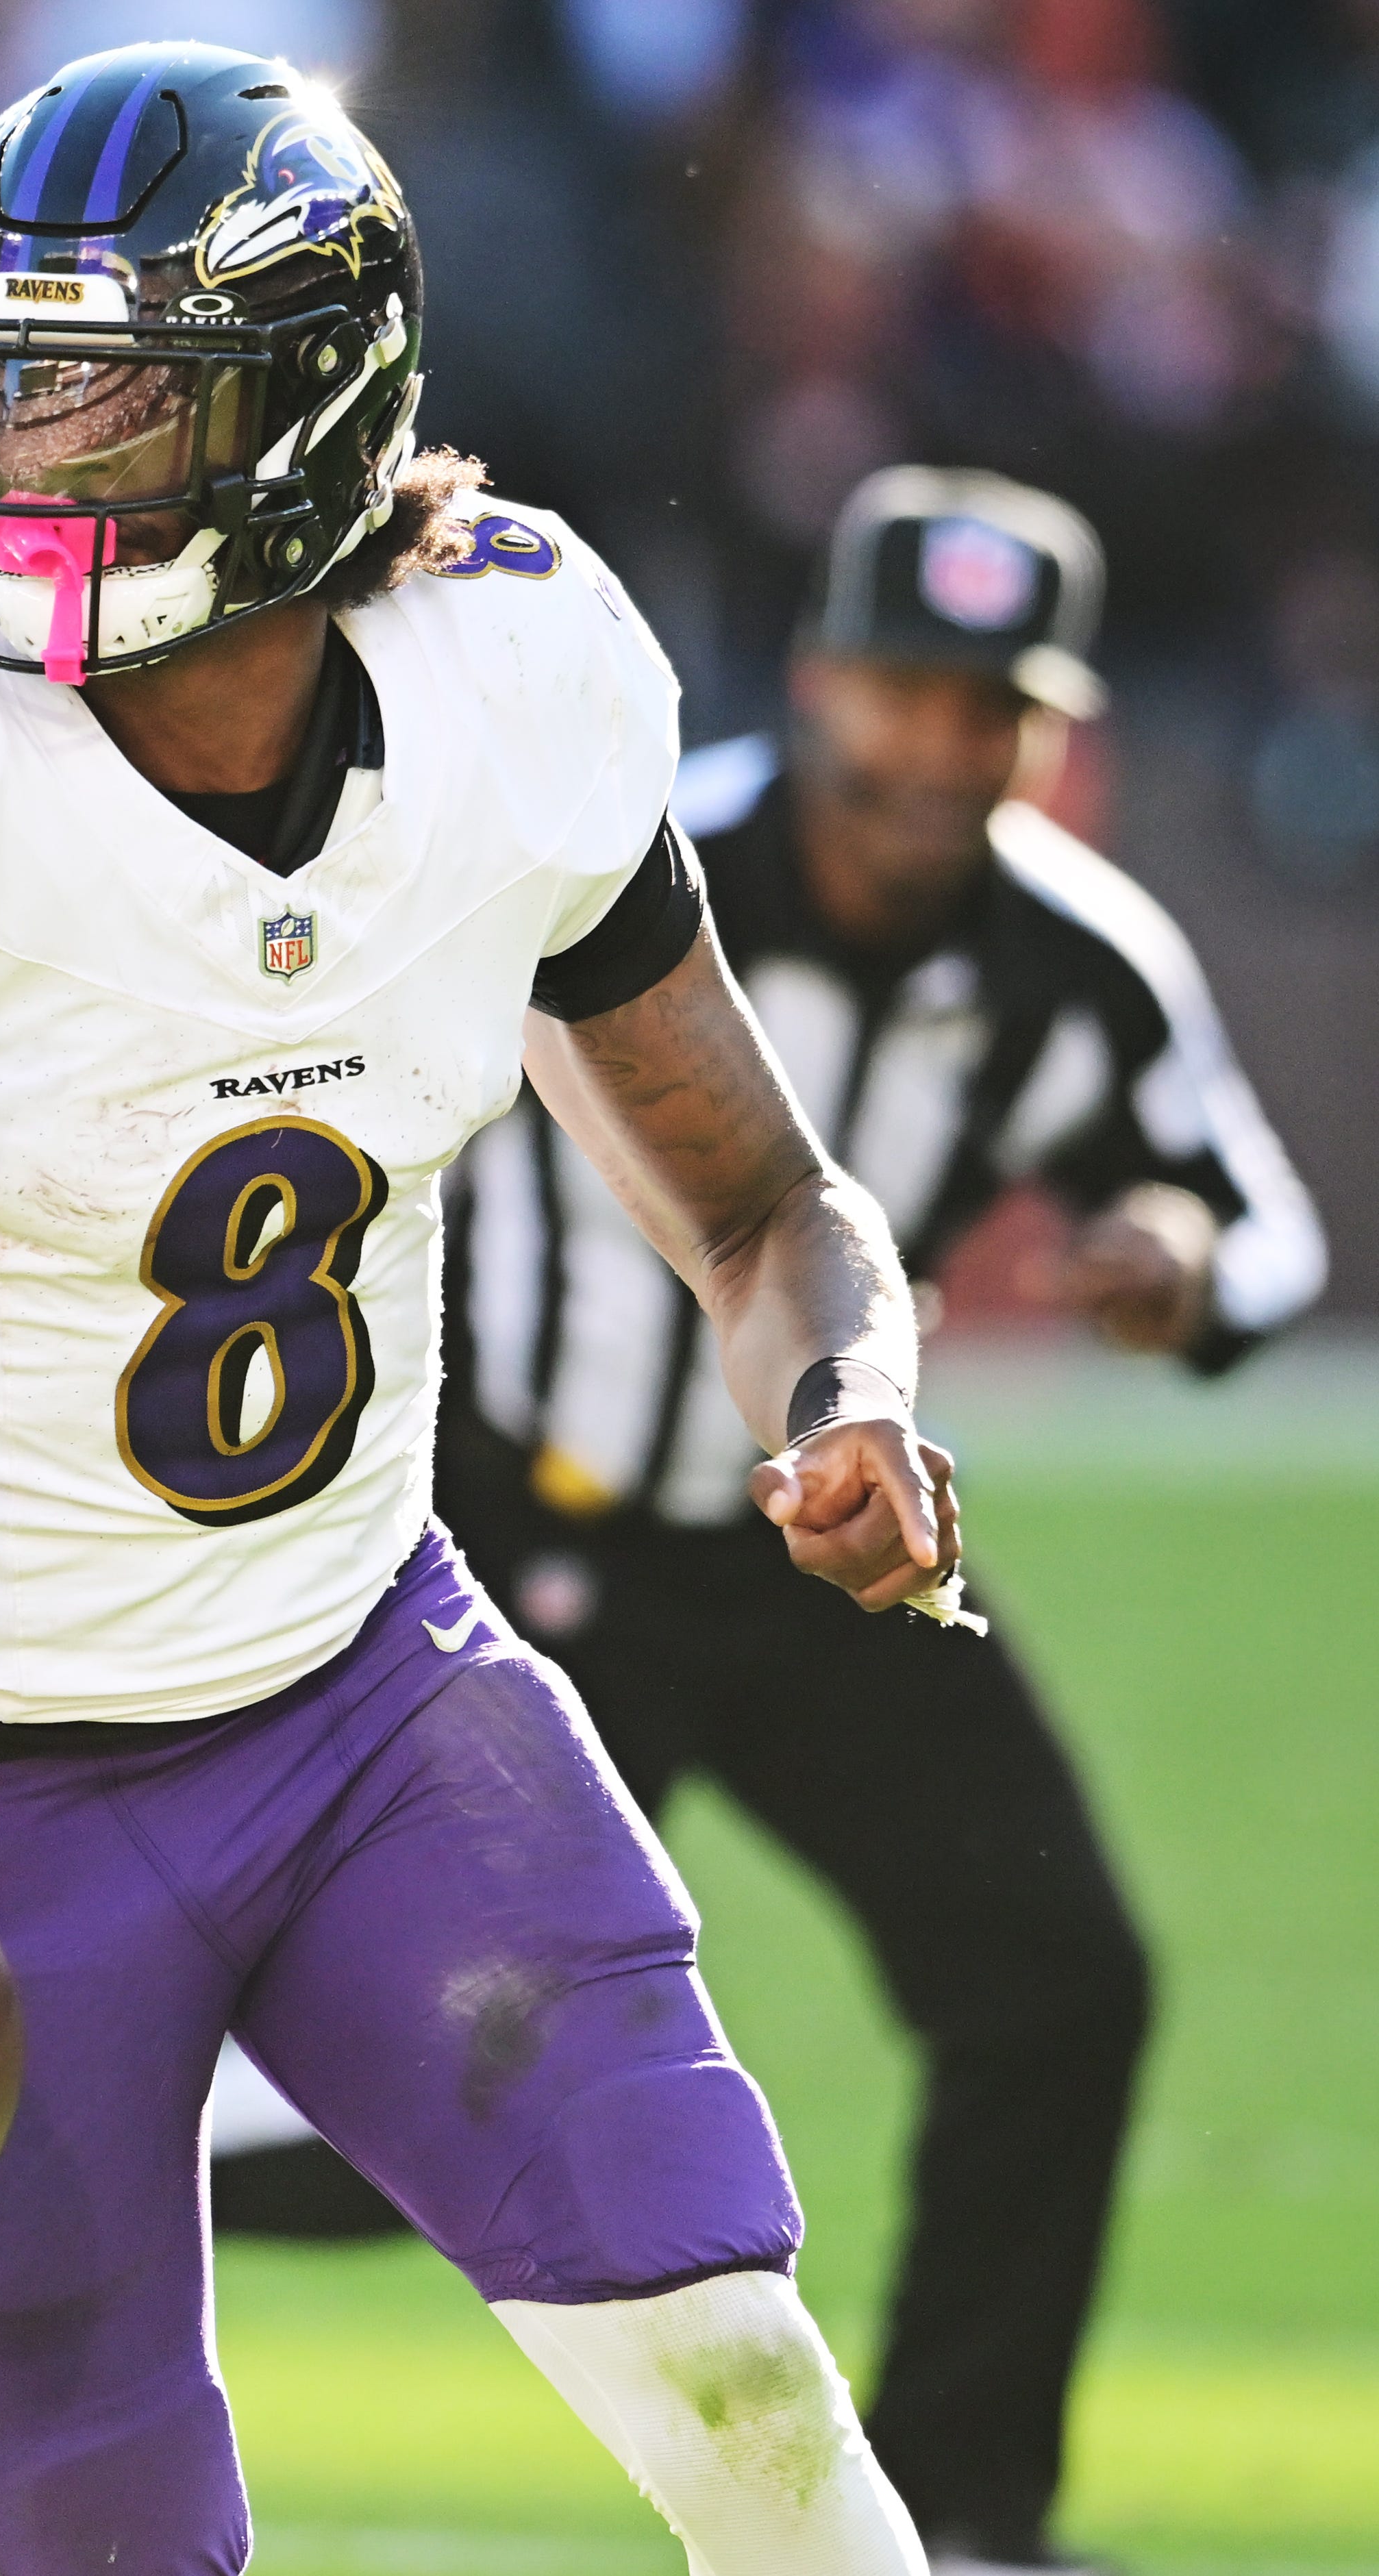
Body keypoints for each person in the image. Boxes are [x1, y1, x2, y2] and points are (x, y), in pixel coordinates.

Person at [0, 47, 960, 2576]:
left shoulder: (512, 689)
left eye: (107, 388)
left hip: (374, 1700)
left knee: (754, 2392)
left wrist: (846, 1394)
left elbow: (757, 1204)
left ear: (306, 408)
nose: (25, 455)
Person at [208, 464, 1327, 2576]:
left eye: (989, 706)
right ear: (816, 680)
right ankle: (25, 2175)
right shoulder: (638, 860)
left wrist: (1178, 1259)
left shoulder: (1072, 958)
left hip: (825, 1554)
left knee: (1054, 1977)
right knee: (413, 2091)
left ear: (1044, 732)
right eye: (904, 690)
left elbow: (1252, 1212)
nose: (937, 748)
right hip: (521, 1550)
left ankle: (970, 2512)